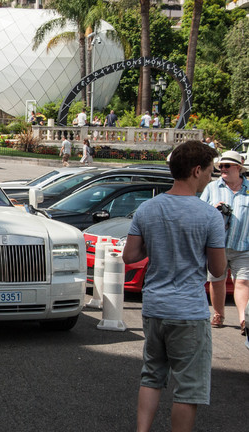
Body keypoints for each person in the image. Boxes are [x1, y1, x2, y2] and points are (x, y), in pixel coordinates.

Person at [122, 141, 226, 432]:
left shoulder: (147, 208)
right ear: (196, 171)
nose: (211, 176)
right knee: (188, 387)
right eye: (209, 171)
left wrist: (157, 246)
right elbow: (217, 270)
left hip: (154, 306)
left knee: (152, 375)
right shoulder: (209, 216)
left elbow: (129, 256)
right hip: (189, 312)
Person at [200, 150, 249, 335]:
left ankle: (244, 320)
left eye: (227, 165)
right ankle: (219, 314)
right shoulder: (212, 188)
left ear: (238, 168)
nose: (223, 169)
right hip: (217, 246)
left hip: (243, 245)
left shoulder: (248, 188)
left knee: (243, 282)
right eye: (221, 166)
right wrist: (213, 209)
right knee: (217, 280)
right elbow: (201, 212)